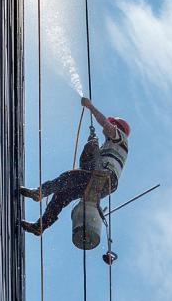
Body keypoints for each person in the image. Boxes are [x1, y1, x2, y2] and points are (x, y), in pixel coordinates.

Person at [20, 97, 130, 236]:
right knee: (62, 194)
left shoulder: (121, 139)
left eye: (113, 124)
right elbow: (84, 168)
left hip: (107, 178)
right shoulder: (105, 149)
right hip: (101, 181)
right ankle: (40, 226)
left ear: (118, 127)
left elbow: (105, 124)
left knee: (69, 177)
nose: (108, 127)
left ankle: (40, 192)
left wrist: (90, 106)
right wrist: (90, 147)